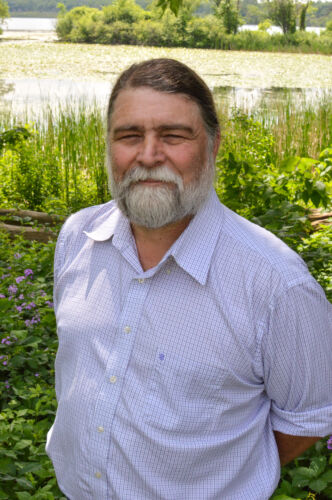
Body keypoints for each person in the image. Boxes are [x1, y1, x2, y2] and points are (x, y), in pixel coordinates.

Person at [46, 58, 332, 500]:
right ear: (108, 146)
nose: (148, 155)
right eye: (129, 136)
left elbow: (309, 417)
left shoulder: (277, 285)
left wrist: (217, 479)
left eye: (174, 136)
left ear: (214, 144)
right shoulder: (76, 238)